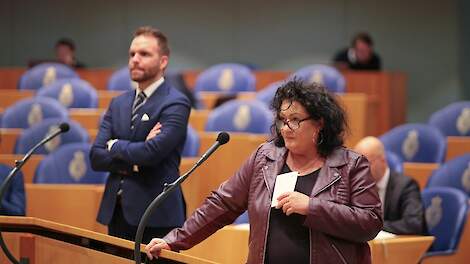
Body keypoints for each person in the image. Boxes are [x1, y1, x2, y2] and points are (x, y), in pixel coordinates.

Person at [146, 79, 382, 263]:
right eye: (282, 119)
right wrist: (174, 241)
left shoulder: (351, 165)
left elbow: (370, 222)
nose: (286, 128)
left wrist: (312, 207)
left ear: (320, 124)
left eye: (296, 120)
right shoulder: (265, 158)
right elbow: (222, 204)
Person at [90, 26, 190, 243]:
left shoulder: (175, 102)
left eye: (144, 54)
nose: (135, 59)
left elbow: (152, 153)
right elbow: (96, 156)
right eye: (132, 54)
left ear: (163, 61)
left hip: (156, 213)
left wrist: (115, 146)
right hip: (117, 212)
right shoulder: (118, 103)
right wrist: (135, 158)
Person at [354, 137, 427, 235]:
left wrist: (373, 226)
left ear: (382, 160)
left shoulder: (406, 186)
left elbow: (413, 224)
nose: (360, 171)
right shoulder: (358, 186)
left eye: (366, 163)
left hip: (405, 247)